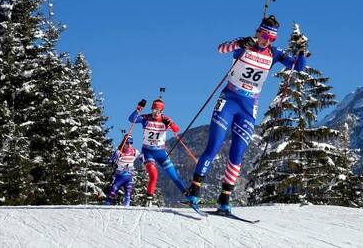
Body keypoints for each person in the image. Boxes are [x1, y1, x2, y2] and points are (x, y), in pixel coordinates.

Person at [185, 15, 308, 213]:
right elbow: (221, 49)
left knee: (238, 153)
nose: (266, 40)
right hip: (229, 100)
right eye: (264, 36)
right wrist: (239, 43)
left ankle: (224, 199)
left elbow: (298, 67)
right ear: (258, 32)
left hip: (248, 107)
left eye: (270, 38)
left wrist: (302, 49)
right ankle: (194, 190)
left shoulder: (275, 53)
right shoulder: (246, 44)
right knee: (214, 146)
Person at [130, 98, 185, 206]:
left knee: (174, 175)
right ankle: (149, 200)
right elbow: (132, 119)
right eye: (154, 110)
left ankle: (188, 195)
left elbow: (176, 129)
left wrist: (170, 124)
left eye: (158, 111)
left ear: (162, 112)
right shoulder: (146, 118)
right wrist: (138, 108)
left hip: (161, 153)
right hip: (147, 152)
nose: (155, 113)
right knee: (153, 175)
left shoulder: (165, 119)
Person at [105, 135, 140, 206]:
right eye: (127, 143)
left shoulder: (135, 152)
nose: (129, 145)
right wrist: (113, 159)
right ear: (124, 143)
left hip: (129, 177)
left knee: (128, 193)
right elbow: (110, 161)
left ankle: (126, 208)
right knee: (113, 191)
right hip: (119, 177)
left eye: (131, 143)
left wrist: (148, 160)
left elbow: (142, 158)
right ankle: (107, 205)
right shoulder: (118, 152)